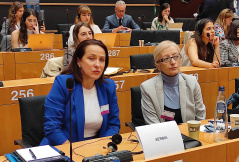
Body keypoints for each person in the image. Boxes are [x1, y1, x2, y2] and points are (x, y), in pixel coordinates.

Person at [40, 39, 120, 146]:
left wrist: (103, 147)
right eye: (91, 58)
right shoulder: (64, 83)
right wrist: (73, 151)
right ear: (79, 61)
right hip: (64, 145)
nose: (97, 64)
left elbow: (113, 125)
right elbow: (52, 127)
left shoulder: (108, 86)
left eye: (102, 60)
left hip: (97, 146)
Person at [140, 40, 206, 125]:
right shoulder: (148, 88)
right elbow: (153, 124)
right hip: (163, 136)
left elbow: (200, 117)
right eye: (166, 59)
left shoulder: (192, 83)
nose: (173, 62)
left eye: (176, 56)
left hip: (191, 134)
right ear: (158, 65)